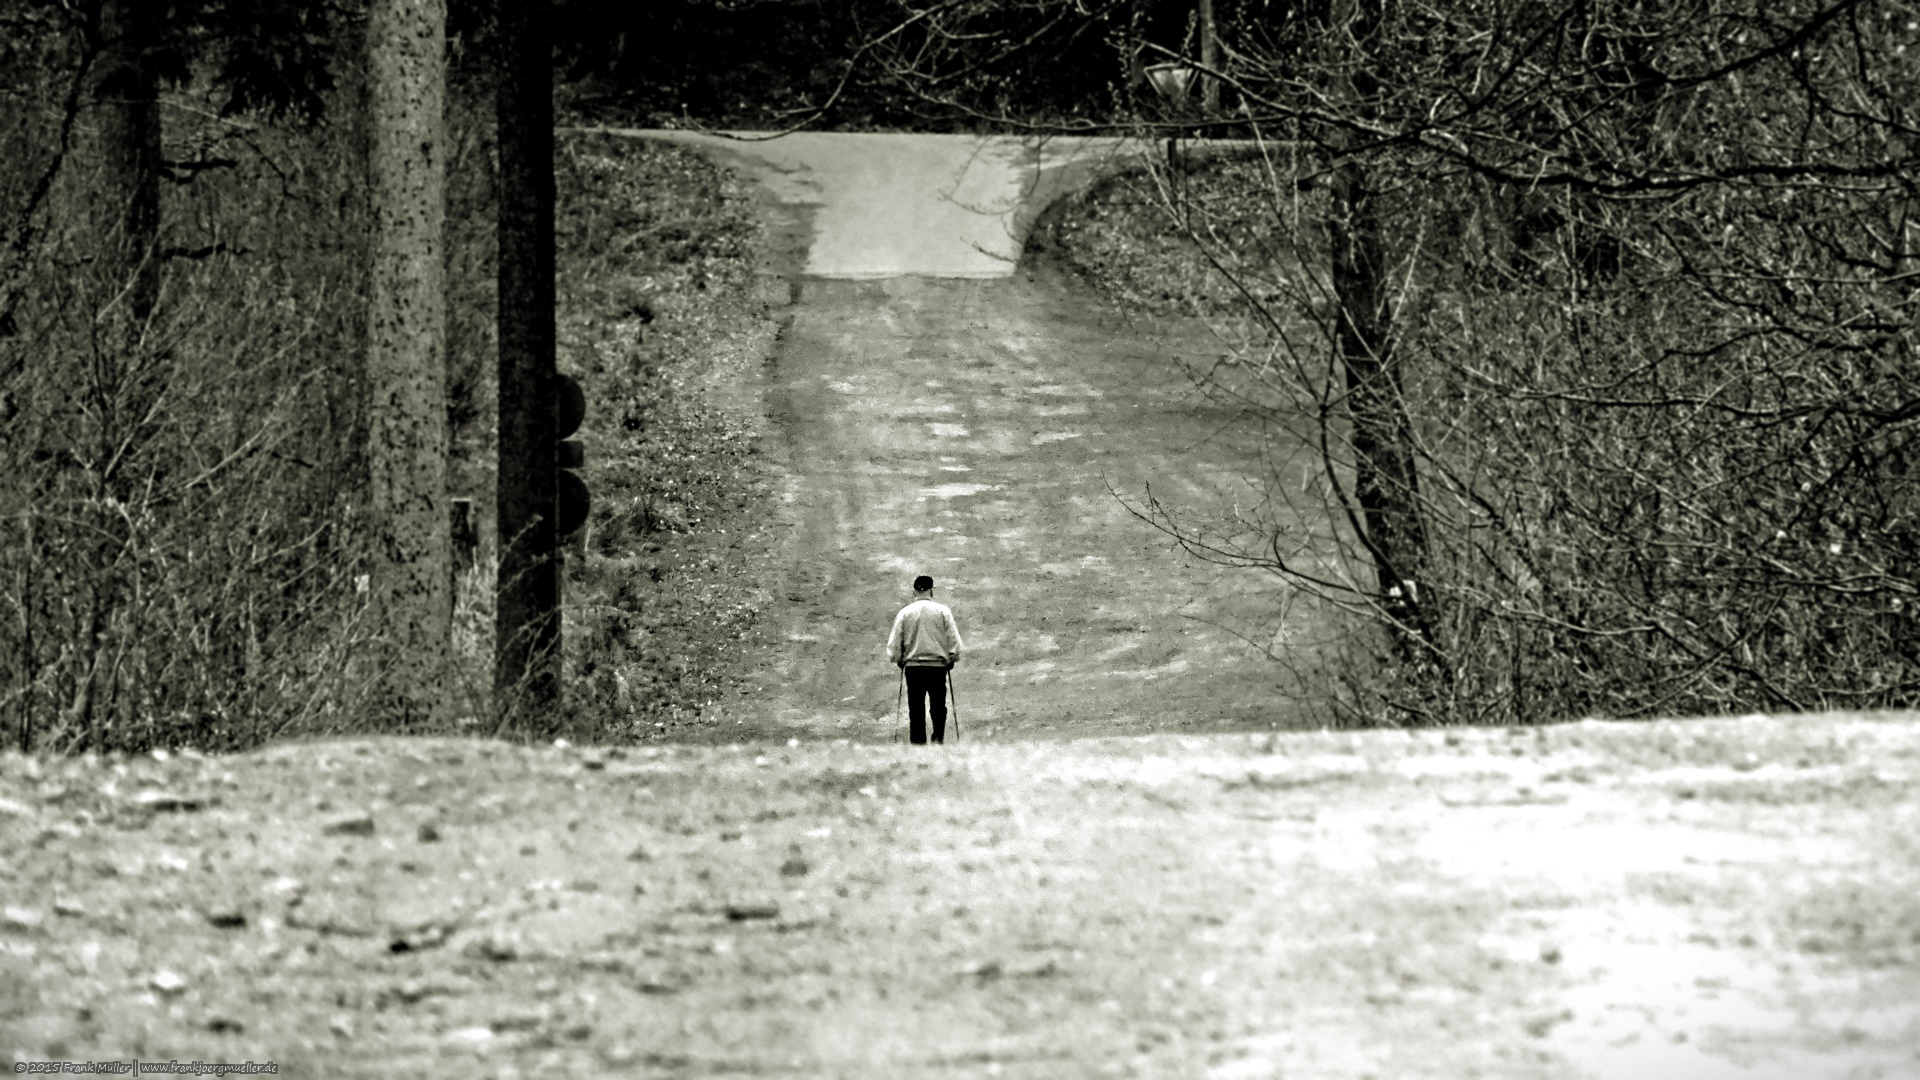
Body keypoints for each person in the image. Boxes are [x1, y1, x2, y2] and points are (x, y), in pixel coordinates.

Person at [886, 575, 963, 744]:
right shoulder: (943, 611)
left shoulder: (904, 613)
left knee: (916, 707)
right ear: (931, 591)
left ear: (914, 592)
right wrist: (952, 658)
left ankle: (918, 742)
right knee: (938, 706)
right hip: (937, 666)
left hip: (914, 667)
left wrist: (898, 659)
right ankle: (938, 737)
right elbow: (954, 640)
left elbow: (895, 643)